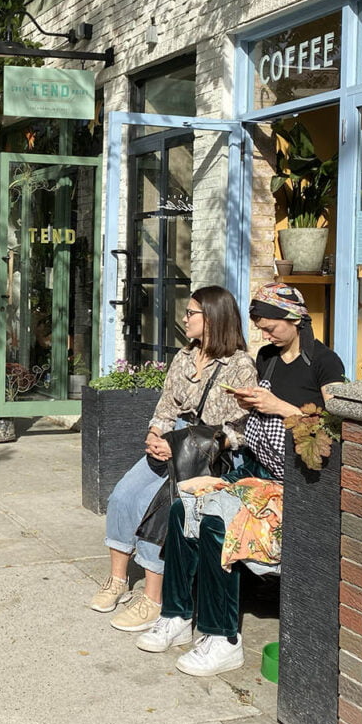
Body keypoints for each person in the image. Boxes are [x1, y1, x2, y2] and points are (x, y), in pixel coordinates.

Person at [136, 282, 345, 676]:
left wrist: (279, 407)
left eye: (269, 326)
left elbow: (337, 423)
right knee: (184, 507)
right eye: (260, 327)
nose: (263, 335)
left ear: (293, 319)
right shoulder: (267, 357)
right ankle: (177, 615)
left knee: (218, 524)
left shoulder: (325, 363)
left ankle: (223, 638)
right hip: (253, 469)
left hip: (295, 487)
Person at [90, 286, 258, 633]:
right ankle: (117, 581)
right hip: (170, 440)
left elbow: (242, 427)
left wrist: (186, 442)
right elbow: (166, 406)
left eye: (191, 313)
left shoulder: (240, 365)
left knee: (160, 509)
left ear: (212, 318)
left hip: (205, 451)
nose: (184, 318)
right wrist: (155, 433)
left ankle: (154, 599)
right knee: (123, 495)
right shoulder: (183, 356)